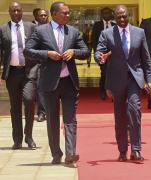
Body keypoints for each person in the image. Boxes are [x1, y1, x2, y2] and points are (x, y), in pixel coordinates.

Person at [24, 1, 90, 164]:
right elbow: (27, 50)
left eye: (68, 13)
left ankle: (70, 153)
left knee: (70, 119)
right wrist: (47, 54)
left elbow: (86, 52)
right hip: (49, 83)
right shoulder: (40, 31)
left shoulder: (73, 32)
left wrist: (74, 52)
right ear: (54, 14)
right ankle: (56, 153)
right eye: (65, 13)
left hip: (69, 83)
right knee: (53, 119)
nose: (68, 15)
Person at [95, 5, 151, 162]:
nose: (122, 19)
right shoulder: (106, 33)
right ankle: (122, 150)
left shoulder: (139, 32)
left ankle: (136, 149)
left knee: (134, 111)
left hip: (135, 78)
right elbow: (98, 52)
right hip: (116, 80)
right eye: (119, 17)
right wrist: (101, 58)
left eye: (124, 16)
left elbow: (146, 59)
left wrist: (149, 80)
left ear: (129, 16)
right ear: (115, 17)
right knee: (120, 116)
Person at [0, 1, 37, 150]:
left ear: (22, 12)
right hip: (12, 73)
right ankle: (18, 140)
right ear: (9, 12)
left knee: (29, 101)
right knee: (15, 107)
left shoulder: (32, 27)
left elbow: (39, 47)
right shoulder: (3, 29)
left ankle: (29, 136)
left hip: (29, 72)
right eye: (13, 11)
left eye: (18, 10)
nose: (16, 13)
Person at [92, 7, 115, 100]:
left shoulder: (115, 25)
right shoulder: (97, 25)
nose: (106, 15)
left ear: (111, 14)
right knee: (104, 73)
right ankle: (103, 91)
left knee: (114, 73)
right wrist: (97, 54)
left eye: (108, 13)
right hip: (102, 54)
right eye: (104, 13)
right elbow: (94, 40)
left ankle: (114, 92)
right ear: (101, 15)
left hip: (113, 54)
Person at [35, 9, 49, 122]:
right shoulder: (32, 29)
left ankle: (50, 111)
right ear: (37, 17)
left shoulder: (52, 29)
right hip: (36, 64)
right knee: (40, 89)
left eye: (45, 15)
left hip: (52, 64)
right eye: (41, 15)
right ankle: (42, 112)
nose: (43, 17)